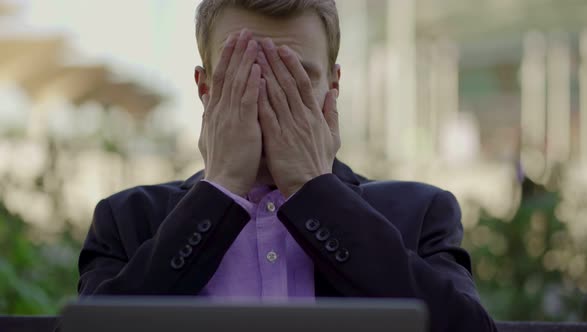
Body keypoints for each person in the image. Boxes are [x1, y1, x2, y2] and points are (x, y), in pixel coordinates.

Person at [77, 1, 498, 331]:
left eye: (295, 77)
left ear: (332, 87)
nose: (271, 99)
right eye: (245, 75)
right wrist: (219, 191)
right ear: (206, 89)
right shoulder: (127, 220)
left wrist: (315, 192)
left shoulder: (420, 214)